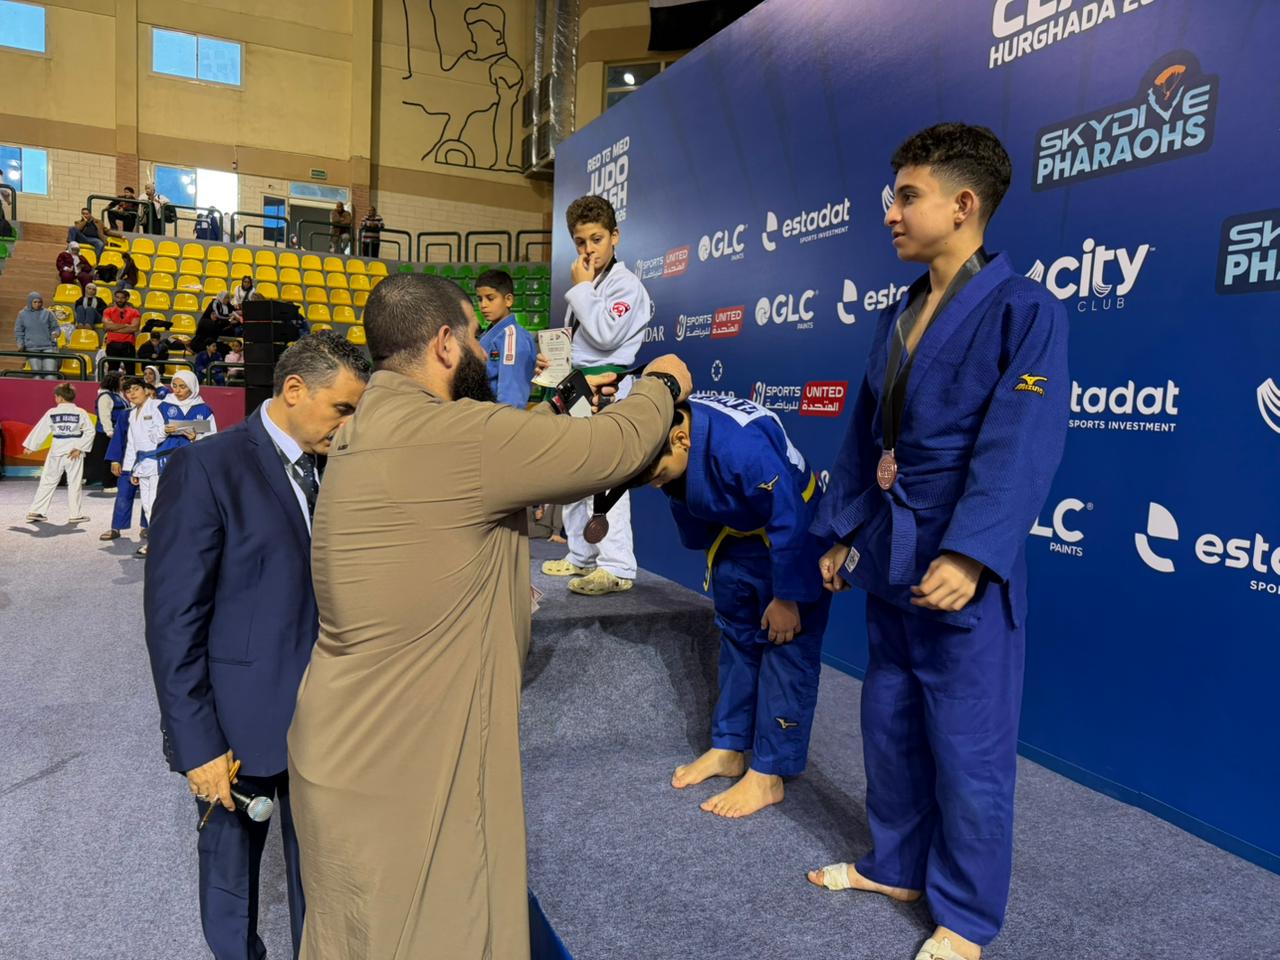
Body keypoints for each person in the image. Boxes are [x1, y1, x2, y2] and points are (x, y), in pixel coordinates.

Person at [287, 274, 691, 960]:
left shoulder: (365, 430)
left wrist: (563, 396)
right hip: (411, 765)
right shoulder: (459, 437)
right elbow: (614, 448)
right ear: (445, 344)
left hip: (343, 745)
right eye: (475, 337)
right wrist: (661, 384)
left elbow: (498, 449)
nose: (483, 349)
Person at [805, 124, 1069, 960]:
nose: (891, 212)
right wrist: (843, 531)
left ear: (963, 205)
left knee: (969, 748)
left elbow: (1020, 440)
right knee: (888, 723)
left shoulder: (1025, 309)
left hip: (960, 565)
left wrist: (971, 553)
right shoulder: (901, 311)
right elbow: (864, 437)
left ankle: (967, 917)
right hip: (890, 553)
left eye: (907, 196)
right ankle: (895, 866)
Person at [143, 334, 371, 960]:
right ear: (294, 390)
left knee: (324, 885)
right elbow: (174, 620)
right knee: (231, 890)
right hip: (237, 733)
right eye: (343, 409)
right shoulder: (207, 467)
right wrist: (197, 744)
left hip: (331, 725)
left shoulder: (341, 467)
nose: (350, 425)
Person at [644, 394, 833, 818]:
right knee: (736, 641)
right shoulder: (664, 422)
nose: (656, 484)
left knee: (786, 650)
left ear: (681, 439)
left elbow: (789, 516)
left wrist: (787, 597)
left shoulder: (742, 450)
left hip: (793, 537)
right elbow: (687, 498)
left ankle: (769, 773)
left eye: (658, 474)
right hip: (736, 536)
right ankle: (729, 747)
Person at [540, 194, 654, 596]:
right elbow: (582, 343)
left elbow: (606, 334)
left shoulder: (626, 285)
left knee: (607, 477)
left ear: (615, 236)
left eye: (597, 239)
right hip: (577, 385)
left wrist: (583, 288)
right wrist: (554, 364)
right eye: (580, 242)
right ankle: (581, 555)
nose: (588, 250)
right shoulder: (590, 285)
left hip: (609, 389)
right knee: (576, 474)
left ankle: (617, 565)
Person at [22, 384, 95, 524]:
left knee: (48, 480)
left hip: (57, 449)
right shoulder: (80, 412)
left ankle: (36, 511)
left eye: (55, 396)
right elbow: (90, 431)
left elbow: (41, 429)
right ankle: (75, 514)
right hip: (74, 451)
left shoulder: (52, 412)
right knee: (74, 483)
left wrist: (30, 446)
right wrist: (79, 448)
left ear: (60, 398)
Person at [476, 268, 537, 407]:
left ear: (508, 300)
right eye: (480, 299)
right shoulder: (488, 334)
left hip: (497, 415)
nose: (483, 305)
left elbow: (511, 398)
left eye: (490, 298)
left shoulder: (512, 338)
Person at [100, 376, 150, 542]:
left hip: (148, 463)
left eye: (136, 389)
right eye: (128, 391)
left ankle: (146, 527)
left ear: (145, 390)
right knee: (123, 496)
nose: (132, 394)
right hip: (128, 463)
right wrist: (115, 460)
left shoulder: (155, 411)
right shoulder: (125, 414)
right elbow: (118, 438)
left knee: (148, 497)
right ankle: (116, 527)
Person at [87, 372, 125, 489]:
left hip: (117, 433)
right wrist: (109, 432)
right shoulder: (105, 397)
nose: (124, 382)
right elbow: (104, 416)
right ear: (114, 381)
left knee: (115, 458)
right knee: (108, 460)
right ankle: (108, 484)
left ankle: (114, 482)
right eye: (122, 380)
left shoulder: (118, 395)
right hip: (106, 434)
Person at [15, 292, 60, 379]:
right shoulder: (22, 314)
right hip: (32, 348)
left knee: (50, 375)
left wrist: (56, 333)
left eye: (39, 302)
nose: (37, 304)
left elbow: (56, 327)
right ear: (30, 302)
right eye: (35, 302)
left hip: (48, 347)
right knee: (37, 375)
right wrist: (20, 344)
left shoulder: (48, 313)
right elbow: (19, 331)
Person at [102, 287, 141, 374]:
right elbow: (107, 326)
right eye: (117, 297)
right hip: (112, 345)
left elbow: (134, 328)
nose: (119, 300)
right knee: (112, 372)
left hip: (128, 345)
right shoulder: (107, 311)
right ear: (114, 298)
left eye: (122, 297)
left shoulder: (134, 312)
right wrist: (126, 326)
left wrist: (113, 329)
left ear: (127, 298)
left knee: (130, 372)